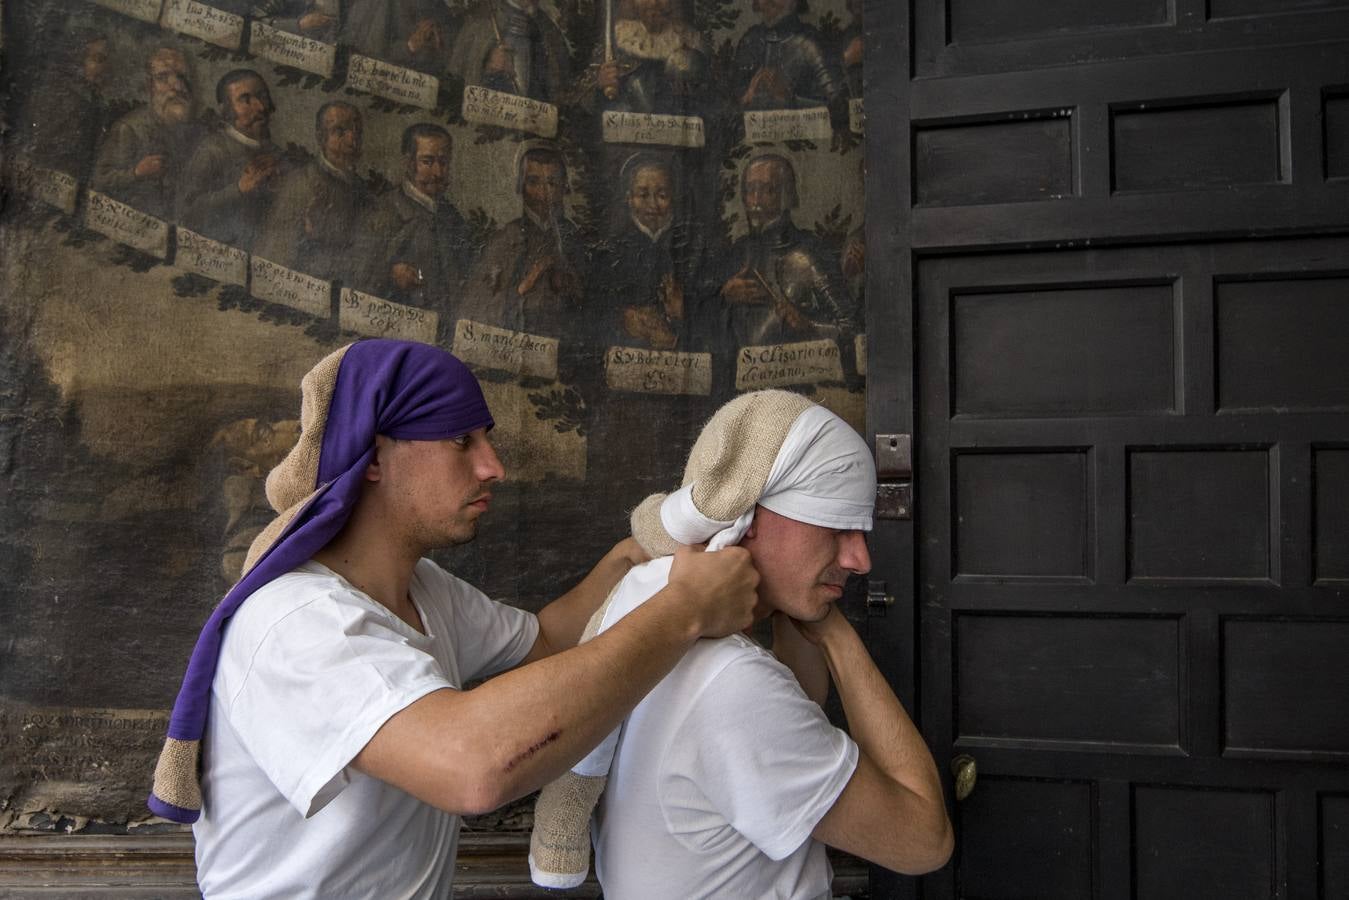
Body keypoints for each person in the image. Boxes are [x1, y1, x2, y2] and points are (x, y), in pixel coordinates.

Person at [149, 339, 759, 898]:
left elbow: (547, 642)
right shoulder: (299, 623)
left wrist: (640, 552)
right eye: (461, 441)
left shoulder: (420, 589)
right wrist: (685, 611)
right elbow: (474, 769)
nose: (493, 465)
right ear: (375, 458)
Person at [529, 389, 953, 896]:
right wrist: (837, 635)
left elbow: (801, 710)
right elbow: (924, 841)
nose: (860, 559)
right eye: (836, 524)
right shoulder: (737, 686)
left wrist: (805, 610)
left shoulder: (645, 606)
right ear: (748, 516)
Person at [719, 153, 857, 346]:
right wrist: (725, 295)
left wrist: (809, 327)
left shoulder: (811, 250)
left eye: (769, 189)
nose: (755, 200)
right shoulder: (738, 251)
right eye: (750, 189)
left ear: (788, 194)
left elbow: (852, 327)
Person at [459, 143, 585, 336]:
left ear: (563, 187)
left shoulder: (574, 239)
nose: (543, 192)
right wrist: (526, 283)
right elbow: (476, 306)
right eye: (534, 182)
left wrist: (570, 284)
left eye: (551, 183)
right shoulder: (505, 239)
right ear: (520, 185)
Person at [254, 101, 370, 284]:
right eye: (340, 131)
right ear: (320, 137)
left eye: (357, 131)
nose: (352, 139)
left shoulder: (363, 189)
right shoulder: (301, 183)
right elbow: (276, 255)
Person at [363, 124, 473, 317]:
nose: (438, 172)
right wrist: (390, 275)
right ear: (408, 162)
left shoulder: (453, 217)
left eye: (443, 162)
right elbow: (358, 277)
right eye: (428, 162)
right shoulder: (384, 210)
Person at [176, 70, 284, 251]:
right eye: (245, 100)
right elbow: (185, 214)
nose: (260, 107)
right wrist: (239, 189)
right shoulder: (212, 151)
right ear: (225, 109)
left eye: (262, 96)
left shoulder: (276, 153)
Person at [92, 47, 203, 219]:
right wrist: (136, 173)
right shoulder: (128, 128)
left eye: (181, 76)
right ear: (148, 85)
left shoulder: (194, 130)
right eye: (163, 77)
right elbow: (99, 181)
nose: (176, 87)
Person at [19, 29, 111, 180]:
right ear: (77, 59)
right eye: (97, 59)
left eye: (105, 61)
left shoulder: (95, 102)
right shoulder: (56, 96)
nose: (103, 68)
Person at [448, 0, 571, 102]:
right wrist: (487, 63)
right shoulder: (482, 17)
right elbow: (456, 77)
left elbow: (562, 82)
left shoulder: (547, 25)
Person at [732, 0, 842, 111]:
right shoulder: (749, 41)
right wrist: (748, 97)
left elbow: (837, 108)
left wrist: (789, 99)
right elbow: (730, 107)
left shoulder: (812, 44)